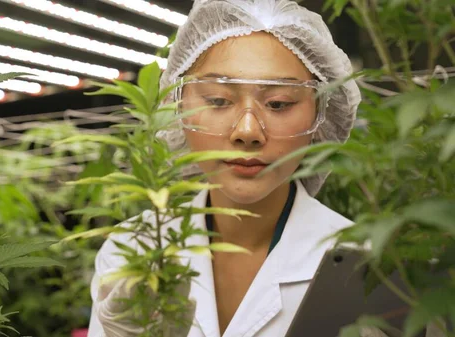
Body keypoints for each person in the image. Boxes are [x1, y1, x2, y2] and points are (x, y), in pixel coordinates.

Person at [87, 0, 364, 336]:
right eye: (218, 99)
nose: (247, 132)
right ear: (176, 107)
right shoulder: (129, 249)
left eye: (279, 103)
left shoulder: (367, 265)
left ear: (321, 114)